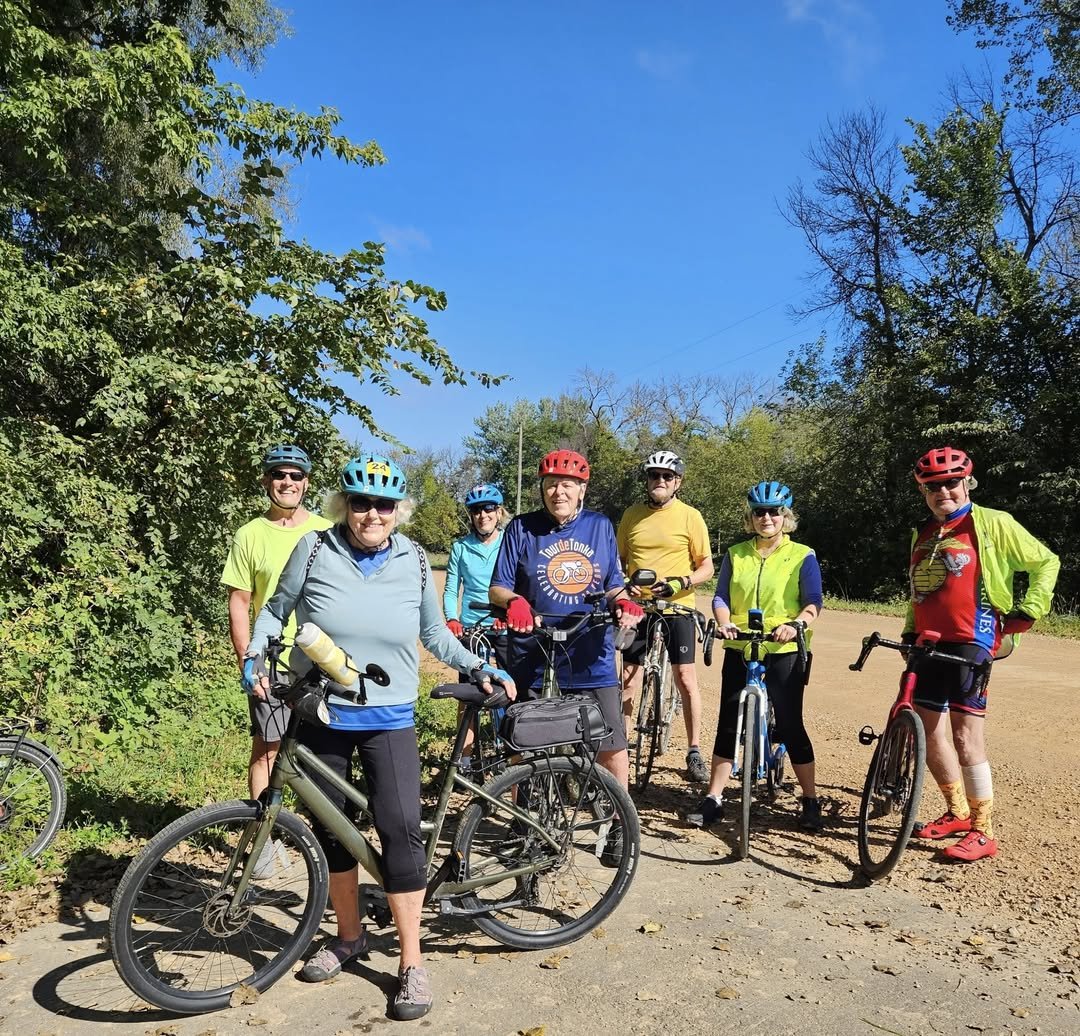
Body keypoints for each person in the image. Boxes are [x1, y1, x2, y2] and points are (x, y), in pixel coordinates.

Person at [245, 453, 514, 1021]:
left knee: (398, 831)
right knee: (332, 830)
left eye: (384, 504)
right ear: (344, 505)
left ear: (398, 510)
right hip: (321, 713)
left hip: (389, 717)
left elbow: (435, 633)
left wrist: (475, 665)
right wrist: (254, 652)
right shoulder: (314, 549)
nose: (372, 513)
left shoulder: (416, 559)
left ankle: (412, 963)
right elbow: (273, 612)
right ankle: (349, 938)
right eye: (362, 503)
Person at [906, 446, 1059, 862]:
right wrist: (909, 628)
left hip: (975, 638)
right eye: (933, 486)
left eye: (952, 483)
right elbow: (920, 586)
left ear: (966, 482)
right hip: (929, 639)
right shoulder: (923, 530)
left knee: (964, 735)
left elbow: (1047, 562)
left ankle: (983, 830)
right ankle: (956, 813)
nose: (944, 492)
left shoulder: (992, 523)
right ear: (923, 490)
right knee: (929, 728)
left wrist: (1030, 608)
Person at [489, 449, 644, 799]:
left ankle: (620, 823)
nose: (558, 492)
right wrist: (514, 601)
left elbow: (612, 583)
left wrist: (621, 600)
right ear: (542, 489)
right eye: (551, 484)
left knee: (610, 739)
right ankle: (524, 818)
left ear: (582, 490)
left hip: (589, 647)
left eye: (567, 485)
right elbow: (498, 586)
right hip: (533, 644)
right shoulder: (521, 528)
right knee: (523, 737)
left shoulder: (599, 525)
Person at [689, 481, 824, 833]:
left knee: (792, 724)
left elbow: (813, 602)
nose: (767, 518)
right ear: (751, 516)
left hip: (784, 648)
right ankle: (714, 798)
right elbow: (720, 598)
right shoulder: (736, 553)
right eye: (760, 512)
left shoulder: (803, 555)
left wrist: (796, 625)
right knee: (728, 722)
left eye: (774, 512)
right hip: (742, 645)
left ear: (785, 516)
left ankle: (810, 799)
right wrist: (723, 623)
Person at [221, 445, 333, 818]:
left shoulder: (326, 531)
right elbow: (239, 601)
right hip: (270, 661)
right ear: (267, 480)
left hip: (322, 660)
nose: (287, 482)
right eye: (279, 474)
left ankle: (319, 834)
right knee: (268, 748)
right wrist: (247, 661)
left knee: (324, 752)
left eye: (296, 476)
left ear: (306, 483)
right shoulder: (250, 534)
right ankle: (264, 837)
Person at [617, 450, 714, 784]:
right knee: (629, 677)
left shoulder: (690, 516)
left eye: (667, 476)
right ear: (646, 480)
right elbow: (619, 559)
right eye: (654, 475)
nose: (660, 481)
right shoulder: (632, 515)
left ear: (678, 482)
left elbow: (706, 567)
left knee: (685, 677)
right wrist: (623, 588)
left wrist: (682, 582)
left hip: (678, 607)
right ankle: (621, 747)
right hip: (638, 608)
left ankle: (694, 749)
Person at [443, 483, 510, 771]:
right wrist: (452, 619)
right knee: (469, 693)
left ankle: (507, 748)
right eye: (476, 510)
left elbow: (516, 582)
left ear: (499, 512)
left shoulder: (509, 542)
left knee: (507, 689)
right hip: (471, 626)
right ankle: (466, 758)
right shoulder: (460, 547)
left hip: (502, 623)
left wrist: (507, 612)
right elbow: (450, 589)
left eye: (488, 509)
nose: (483, 515)